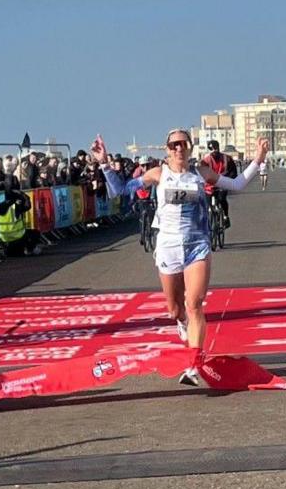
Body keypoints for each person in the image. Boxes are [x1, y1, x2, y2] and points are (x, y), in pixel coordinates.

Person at [97, 130, 267, 384]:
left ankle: (194, 363)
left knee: (194, 304)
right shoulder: (158, 173)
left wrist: (258, 158)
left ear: (189, 148)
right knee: (175, 309)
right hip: (168, 248)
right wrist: (104, 163)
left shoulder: (201, 172)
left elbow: (237, 184)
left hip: (197, 245)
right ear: (166, 149)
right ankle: (182, 323)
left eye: (183, 144)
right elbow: (120, 191)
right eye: (174, 145)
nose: (179, 149)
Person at [0, 185, 37, 257]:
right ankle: (29, 250)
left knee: (14, 253)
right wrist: (23, 195)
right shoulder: (15, 207)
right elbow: (28, 206)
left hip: (3, 238)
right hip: (17, 236)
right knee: (35, 233)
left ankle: (9, 251)